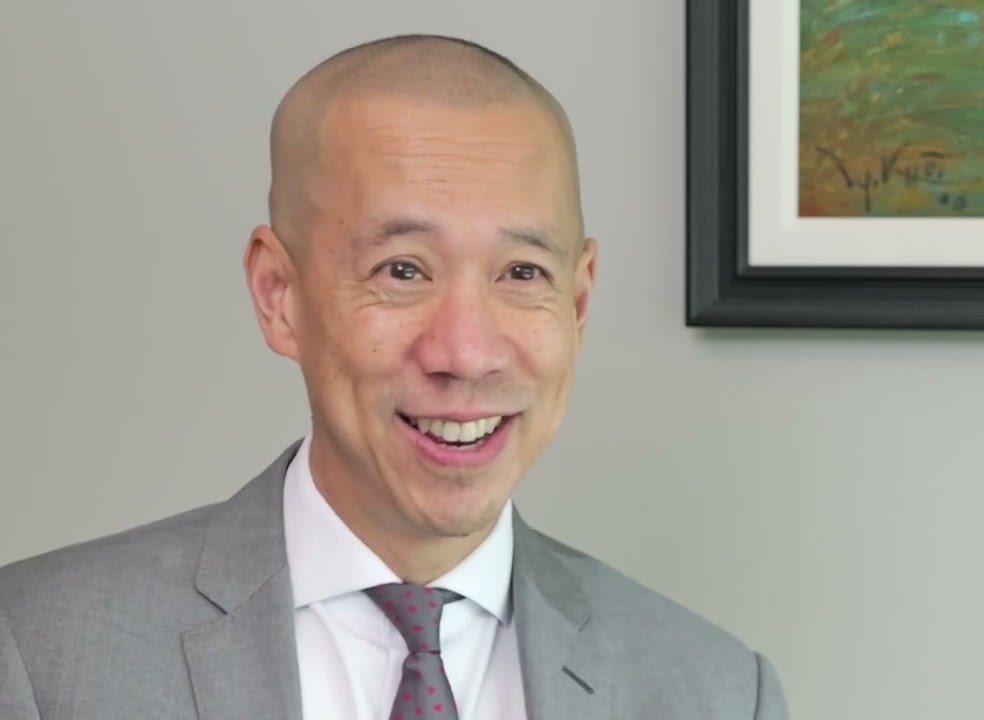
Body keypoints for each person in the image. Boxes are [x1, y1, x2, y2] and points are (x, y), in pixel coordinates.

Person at [0, 34, 788, 720]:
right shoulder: (39, 652)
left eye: (522, 272)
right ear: (279, 295)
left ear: (578, 303)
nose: (466, 353)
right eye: (403, 270)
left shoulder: (718, 692)